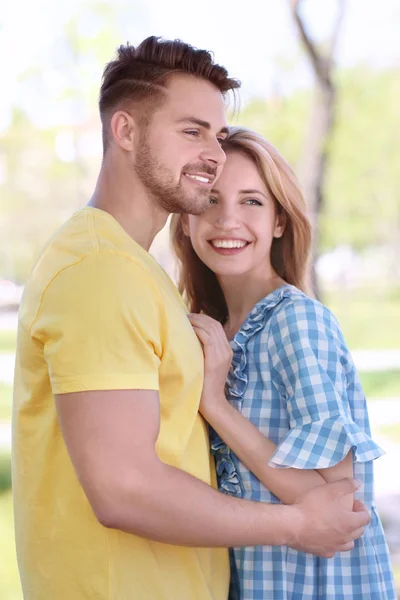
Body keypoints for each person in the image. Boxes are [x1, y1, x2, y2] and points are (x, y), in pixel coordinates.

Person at [13, 39, 370, 600]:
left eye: (216, 135)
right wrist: (295, 525)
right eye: (192, 131)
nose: (213, 153)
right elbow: (123, 488)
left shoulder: (137, 269)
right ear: (126, 132)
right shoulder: (101, 270)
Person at [171, 125, 396, 599]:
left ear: (278, 221)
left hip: (311, 583)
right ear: (186, 220)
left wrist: (218, 407)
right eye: (210, 200)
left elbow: (339, 497)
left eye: (251, 201)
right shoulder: (212, 328)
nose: (227, 219)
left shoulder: (295, 322)